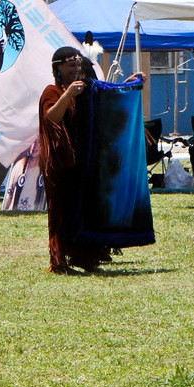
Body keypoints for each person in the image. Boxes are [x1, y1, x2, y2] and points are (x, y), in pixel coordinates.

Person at [38, 46, 146, 273]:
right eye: (71, 65)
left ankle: (84, 256)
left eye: (78, 65)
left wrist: (128, 85)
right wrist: (67, 95)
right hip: (59, 162)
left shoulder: (86, 89)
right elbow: (51, 118)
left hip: (83, 160)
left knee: (85, 208)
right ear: (58, 68)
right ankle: (58, 261)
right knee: (61, 210)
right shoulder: (52, 91)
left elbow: (106, 100)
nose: (76, 69)